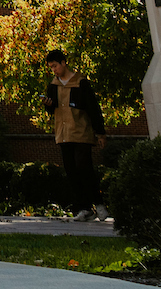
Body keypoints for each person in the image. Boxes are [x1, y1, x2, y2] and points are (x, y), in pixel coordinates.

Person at [42, 49, 107, 216]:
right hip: (63, 134)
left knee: (84, 167)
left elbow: (93, 108)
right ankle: (84, 208)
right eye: (51, 67)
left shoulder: (81, 83)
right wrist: (48, 105)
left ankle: (99, 203)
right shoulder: (53, 86)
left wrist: (100, 132)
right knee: (71, 170)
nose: (54, 70)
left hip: (81, 131)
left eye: (55, 66)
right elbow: (52, 110)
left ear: (64, 63)